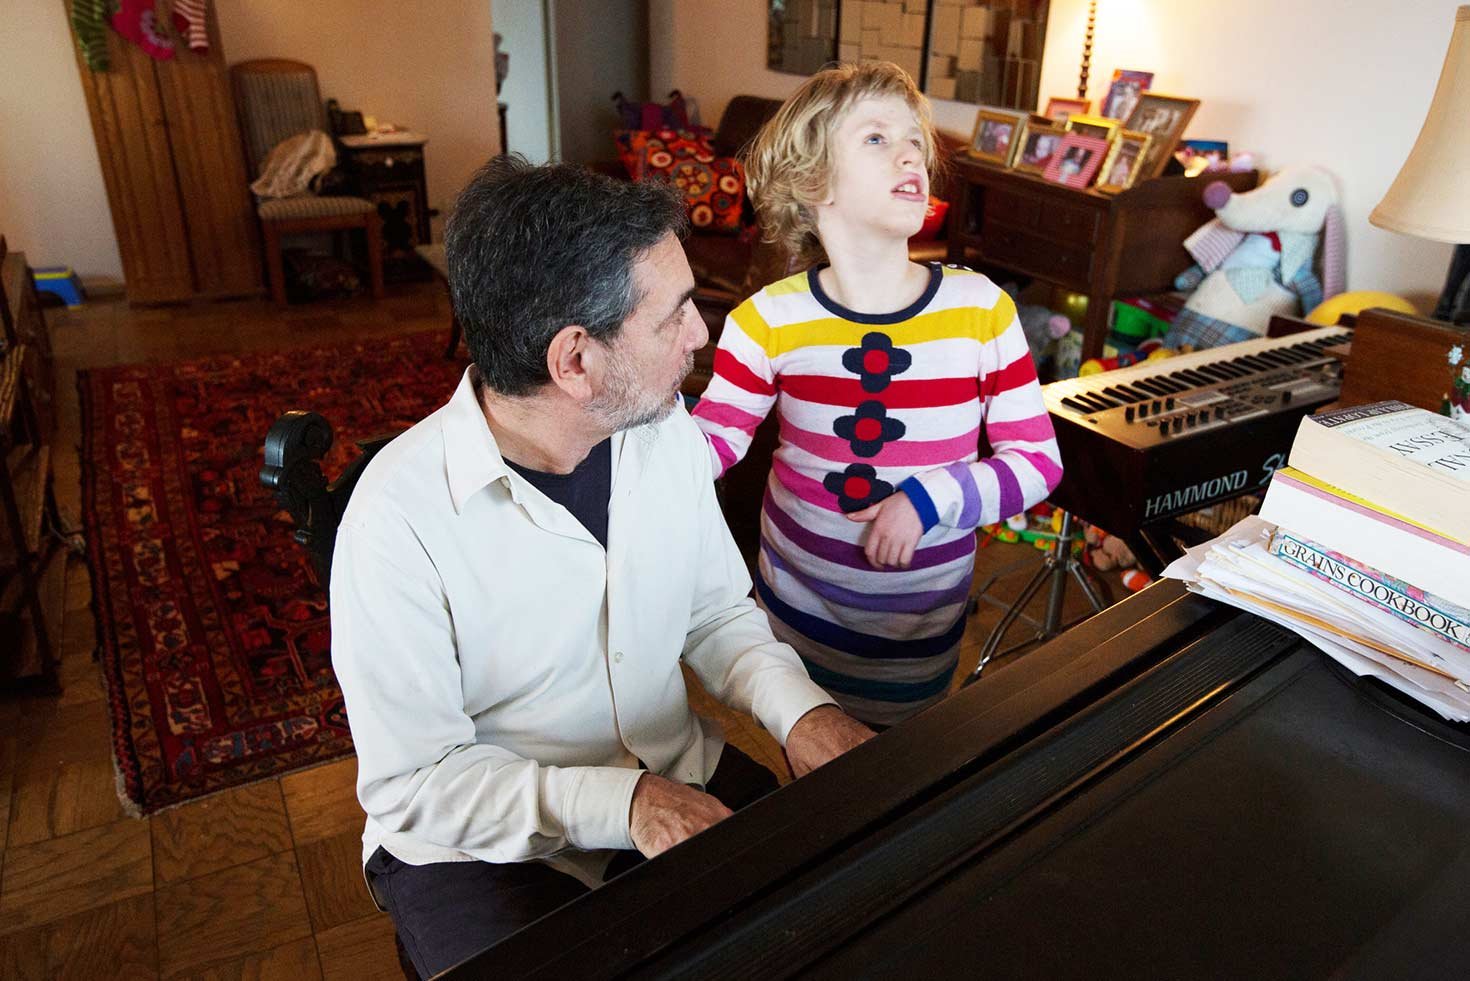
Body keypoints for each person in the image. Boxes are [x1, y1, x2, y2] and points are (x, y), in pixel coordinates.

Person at [330, 157, 873, 978]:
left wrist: (801, 713)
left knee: (836, 923)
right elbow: (416, 783)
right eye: (676, 316)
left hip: (667, 765)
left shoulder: (663, 430)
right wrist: (628, 802)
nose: (702, 336)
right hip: (474, 844)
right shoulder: (395, 520)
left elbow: (716, 614)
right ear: (574, 361)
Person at [689, 62, 1063, 728]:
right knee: (810, 778)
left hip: (920, 635)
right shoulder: (766, 321)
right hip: (793, 621)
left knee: (898, 789)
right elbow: (708, 444)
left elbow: (1037, 463)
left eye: (914, 140)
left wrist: (929, 501)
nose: (910, 152)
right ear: (812, 182)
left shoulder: (984, 310)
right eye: (875, 138)